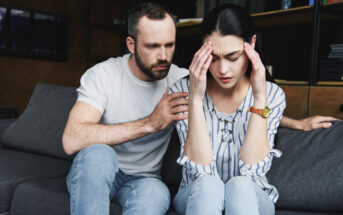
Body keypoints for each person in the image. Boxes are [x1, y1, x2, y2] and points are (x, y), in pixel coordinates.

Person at [62, 2, 188, 215]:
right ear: (131, 44)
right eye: (152, 46)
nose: (164, 56)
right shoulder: (103, 75)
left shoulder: (180, 81)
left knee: (156, 193)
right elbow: (71, 139)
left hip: (144, 180)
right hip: (97, 173)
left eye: (169, 45)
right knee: (99, 154)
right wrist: (150, 123)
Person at [170, 4, 286, 215]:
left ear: (251, 44)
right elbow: (201, 168)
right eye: (213, 58)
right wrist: (195, 99)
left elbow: (253, 168)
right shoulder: (182, 90)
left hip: (253, 197)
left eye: (233, 58)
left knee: (240, 185)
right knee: (208, 185)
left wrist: (259, 98)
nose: (223, 70)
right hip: (195, 195)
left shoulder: (273, 95)